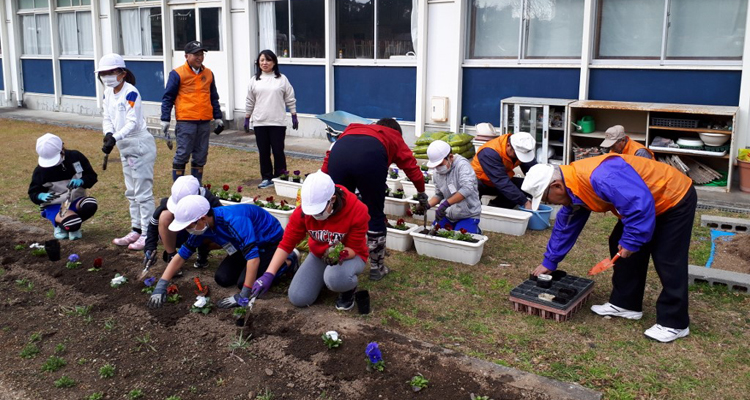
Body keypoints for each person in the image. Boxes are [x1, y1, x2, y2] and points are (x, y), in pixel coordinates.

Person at [521, 154, 697, 343]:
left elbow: (639, 205)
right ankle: (626, 304)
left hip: (673, 197)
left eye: (547, 199)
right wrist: (550, 261)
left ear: (557, 186)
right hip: (644, 201)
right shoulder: (573, 186)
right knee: (617, 242)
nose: (552, 204)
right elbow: (567, 224)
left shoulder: (601, 177)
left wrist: (632, 241)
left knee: (668, 257)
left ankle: (675, 323)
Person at [321, 118, 428, 281]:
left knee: (338, 209)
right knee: (374, 213)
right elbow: (411, 168)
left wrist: (322, 180)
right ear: (397, 132)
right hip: (371, 158)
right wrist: (421, 193)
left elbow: (330, 155)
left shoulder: (352, 128)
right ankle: (377, 268)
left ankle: (335, 256)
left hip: (339, 155)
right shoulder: (393, 136)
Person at [147, 195, 299, 309]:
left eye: (188, 226)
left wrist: (244, 295)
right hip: (243, 244)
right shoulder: (203, 227)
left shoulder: (234, 220)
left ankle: (288, 261)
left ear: (202, 218)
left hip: (269, 242)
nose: (188, 230)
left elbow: (253, 258)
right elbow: (182, 255)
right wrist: (162, 284)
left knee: (242, 284)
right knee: (223, 278)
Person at [252, 172, 369, 311]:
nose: (315, 216)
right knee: (298, 297)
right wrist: (268, 274)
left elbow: (354, 249)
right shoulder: (302, 212)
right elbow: (286, 243)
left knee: (334, 279)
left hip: (351, 256)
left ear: (332, 199)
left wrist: (338, 254)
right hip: (319, 254)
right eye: (311, 212)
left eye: (318, 212)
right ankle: (324, 278)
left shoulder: (357, 210)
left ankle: (348, 289)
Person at [98, 53, 158, 250]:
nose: (106, 77)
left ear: (121, 73)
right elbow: (107, 116)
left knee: (143, 192)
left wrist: (115, 137)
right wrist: (108, 133)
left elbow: (132, 122)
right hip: (125, 146)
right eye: (103, 73)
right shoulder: (108, 93)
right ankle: (136, 229)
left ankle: (149, 233)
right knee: (131, 191)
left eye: (110, 72)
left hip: (139, 144)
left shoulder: (131, 93)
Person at [160, 40, 223, 184]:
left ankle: (196, 185)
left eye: (201, 54)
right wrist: (165, 118)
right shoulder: (177, 74)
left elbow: (213, 96)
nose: (199, 57)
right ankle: (179, 187)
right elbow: (168, 97)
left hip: (204, 121)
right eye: (196, 54)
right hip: (186, 120)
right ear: (186, 56)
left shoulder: (208, 73)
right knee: (182, 154)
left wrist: (217, 117)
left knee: (201, 155)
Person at [143, 176, 222, 271]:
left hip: (203, 234)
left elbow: (222, 226)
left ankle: (203, 252)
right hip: (182, 235)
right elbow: (153, 224)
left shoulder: (212, 202)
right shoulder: (167, 204)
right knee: (165, 216)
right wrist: (150, 247)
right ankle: (171, 256)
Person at [28, 133, 98, 240]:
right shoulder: (40, 171)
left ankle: (70, 222)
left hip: (75, 200)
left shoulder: (76, 157)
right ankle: (63, 224)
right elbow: (33, 192)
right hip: (55, 206)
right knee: (73, 223)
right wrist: (40, 196)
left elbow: (92, 176)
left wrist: (82, 181)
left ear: (62, 149)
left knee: (91, 204)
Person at [244, 49, 298, 189]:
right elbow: (250, 100)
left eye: (268, 60)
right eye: (262, 60)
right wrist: (247, 117)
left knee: (278, 150)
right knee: (264, 152)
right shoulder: (254, 80)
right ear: (258, 63)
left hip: (277, 122)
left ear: (274, 62)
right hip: (260, 121)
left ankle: (280, 176)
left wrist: (293, 114)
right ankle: (266, 177)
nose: (265, 63)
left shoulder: (281, 79)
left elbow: (290, 97)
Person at [471, 126, 537, 209]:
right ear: (508, 145)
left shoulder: (521, 147)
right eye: (518, 155)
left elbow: (533, 171)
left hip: (500, 179)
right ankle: (479, 212)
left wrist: (541, 191)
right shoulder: (489, 152)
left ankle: (495, 209)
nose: (519, 158)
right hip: (481, 181)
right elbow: (501, 181)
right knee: (472, 187)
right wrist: (524, 201)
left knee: (525, 186)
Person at [424, 140, 481, 233]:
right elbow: (439, 194)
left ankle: (476, 230)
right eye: (436, 165)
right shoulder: (437, 172)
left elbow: (467, 189)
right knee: (435, 234)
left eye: (440, 164)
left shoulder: (462, 165)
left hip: (468, 214)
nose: (438, 168)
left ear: (450, 157)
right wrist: (427, 205)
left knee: (462, 238)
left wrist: (445, 204)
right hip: (448, 214)